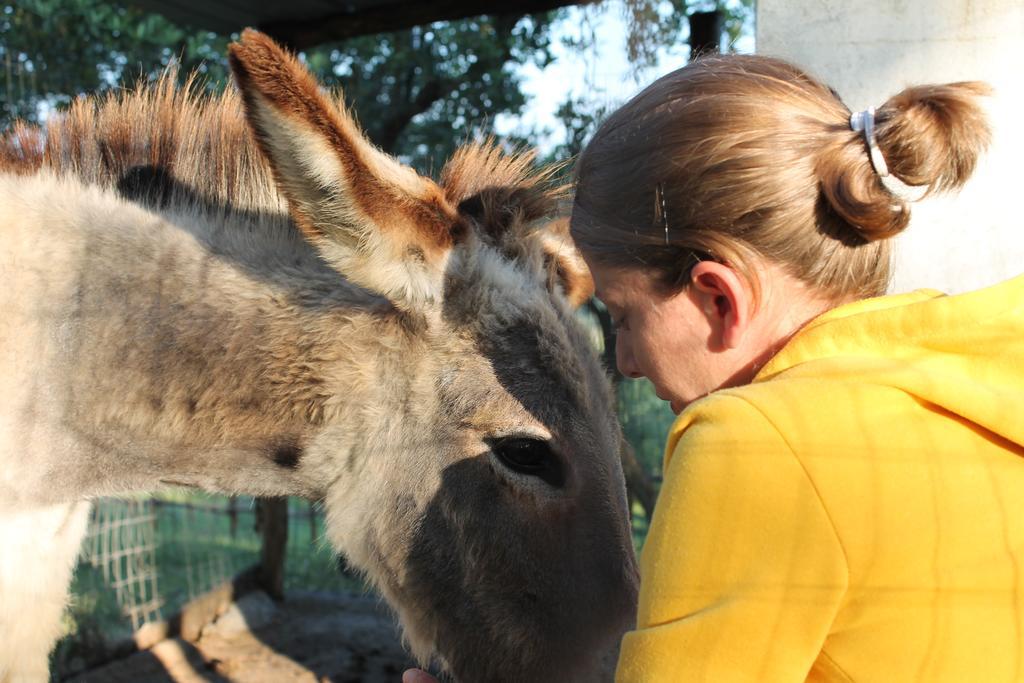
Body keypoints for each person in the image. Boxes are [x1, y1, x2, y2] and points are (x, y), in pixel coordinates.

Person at [406, 54, 1024, 682]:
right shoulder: (979, 383)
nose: (625, 361)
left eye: (622, 316)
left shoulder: (755, 447)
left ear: (719, 299)